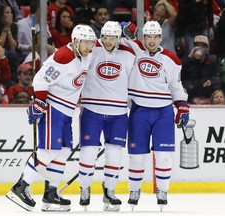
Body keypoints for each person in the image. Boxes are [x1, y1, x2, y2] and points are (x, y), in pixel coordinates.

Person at [6, 24, 96, 212]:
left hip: (67, 111)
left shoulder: (85, 56)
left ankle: (50, 194)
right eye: (86, 43)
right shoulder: (64, 57)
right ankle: (21, 186)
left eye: (91, 42)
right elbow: (40, 79)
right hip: (53, 108)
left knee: (63, 150)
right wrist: (39, 102)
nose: (90, 47)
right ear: (76, 41)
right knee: (48, 150)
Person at [121, 21, 189, 211]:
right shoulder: (134, 49)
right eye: (148, 36)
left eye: (155, 36)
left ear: (160, 38)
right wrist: (125, 27)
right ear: (143, 37)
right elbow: (112, 39)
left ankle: (162, 191)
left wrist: (182, 106)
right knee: (136, 156)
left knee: (164, 156)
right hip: (139, 111)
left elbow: (175, 87)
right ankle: (134, 190)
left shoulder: (172, 60)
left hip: (163, 112)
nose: (151, 40)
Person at [78, 21, 135, 211]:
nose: (108, 41)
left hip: (118, 111)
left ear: (119, 38)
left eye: (112, 37)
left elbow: (145, 52)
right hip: (92, 109)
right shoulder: (92, 48)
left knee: (115, 153)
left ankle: (109, 191)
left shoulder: (128, 53)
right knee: (88, 152)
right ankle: (84, 188)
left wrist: (133, 32)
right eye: (105, 37)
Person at [181, 35, 221, 103]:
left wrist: (210, 81)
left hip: (205, 87)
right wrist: (189, 58)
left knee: (217, 88)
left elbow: (217, 77)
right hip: (191, 87)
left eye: (203, 46)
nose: (200, 48)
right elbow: (180, 74)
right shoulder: (187, 59)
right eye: (197, 46)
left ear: (207, 48)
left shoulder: (212, 60)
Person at [0, 3, 20, 83]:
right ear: (1, 15)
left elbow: (13, 46)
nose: (10, 15)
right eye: (7, 13)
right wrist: (5, 28)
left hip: (10, 52)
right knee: (11, 54)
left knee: (13, 53)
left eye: (11, 12)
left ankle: (15, 80)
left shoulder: (14, 26)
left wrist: (8, 28)